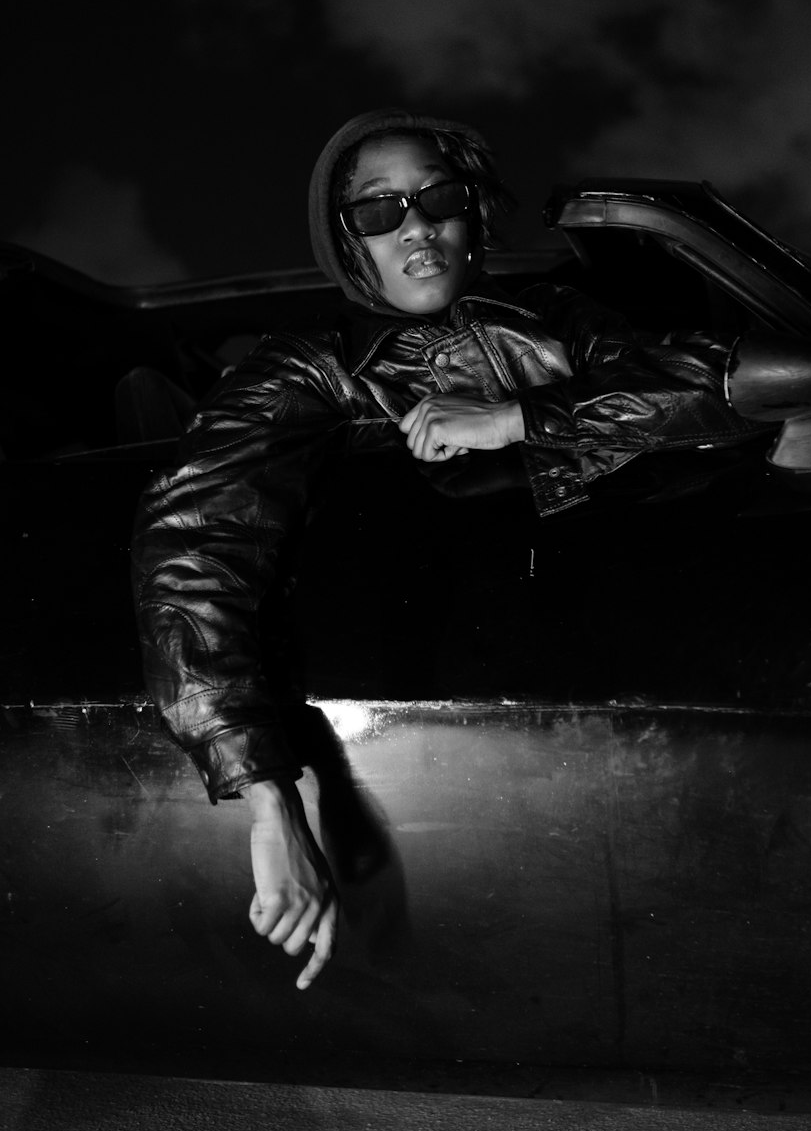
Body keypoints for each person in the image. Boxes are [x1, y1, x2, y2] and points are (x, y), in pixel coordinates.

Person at [131, 108, 761, 991]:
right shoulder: (304, 371)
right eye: (380, 210)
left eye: (438, 199)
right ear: (346, 239)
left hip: (638, 686)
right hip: (438, 709)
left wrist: (521, 418)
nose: (417, 227)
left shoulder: (554, 317)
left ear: (473, 214)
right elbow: (195, 553)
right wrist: (266, 791)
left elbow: (716, 380)